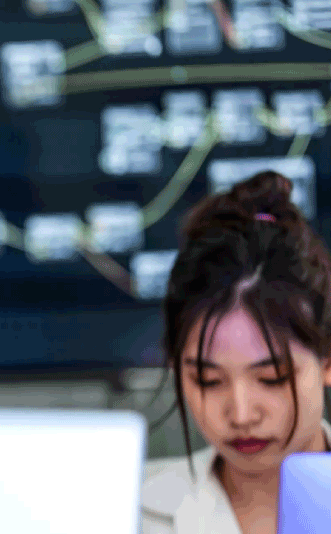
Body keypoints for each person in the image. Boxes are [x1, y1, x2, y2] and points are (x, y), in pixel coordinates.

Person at [141, 171, 331, 534]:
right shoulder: (127, 513)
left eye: (271, 378)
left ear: (328, 358)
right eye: (209, 381)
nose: (242, 414)